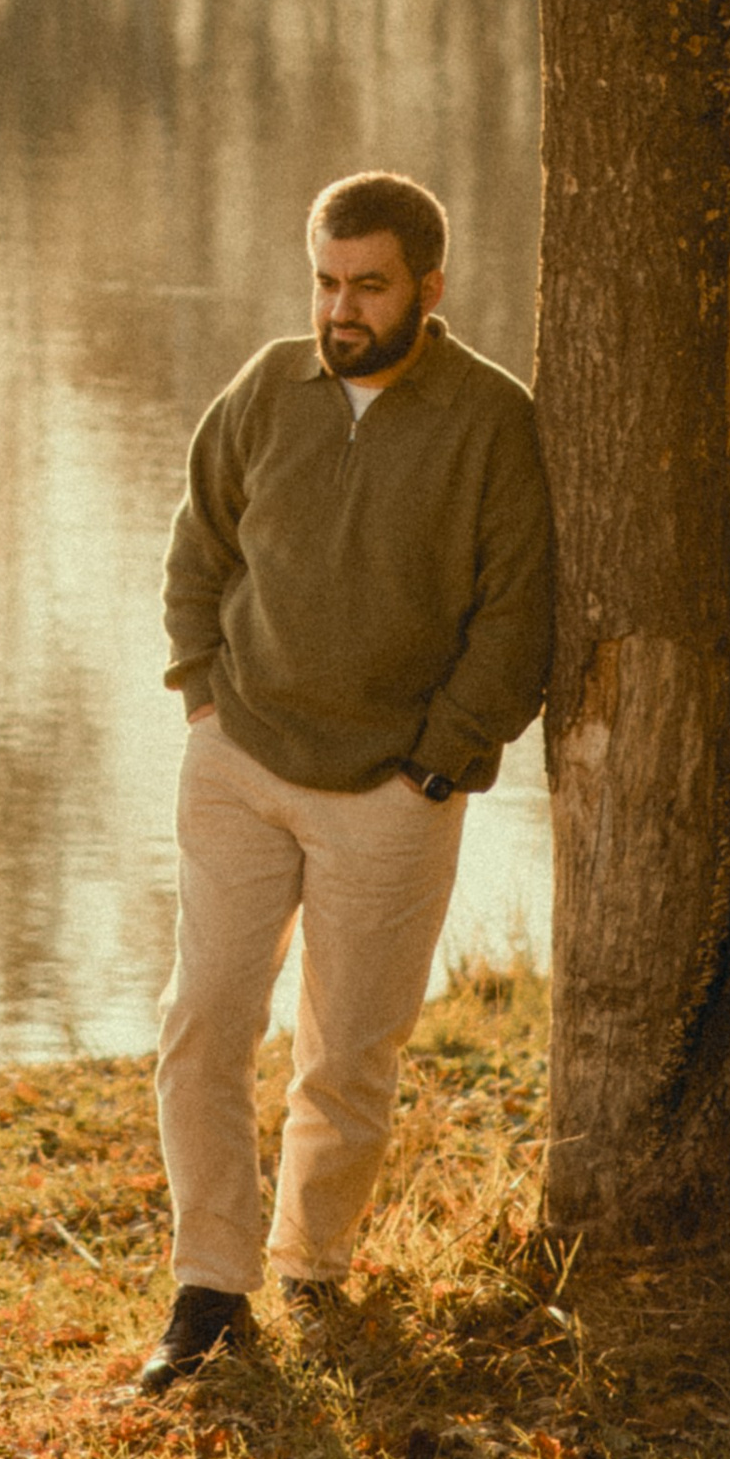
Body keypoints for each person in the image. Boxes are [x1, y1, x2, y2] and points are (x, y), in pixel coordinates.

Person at [134, 171, 555, 1393]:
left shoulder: (490, 420)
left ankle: (310, 1271)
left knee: (348, 1056)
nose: (341, 309)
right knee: (203, 1021)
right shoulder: (268, 386)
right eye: (325, 281)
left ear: (429, 286)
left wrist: (436, 761)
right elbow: (198, 541)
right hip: (240, 761)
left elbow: (515, 613)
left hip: (392, 791)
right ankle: (209, 1290)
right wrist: (200, 694)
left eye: (368, 285)